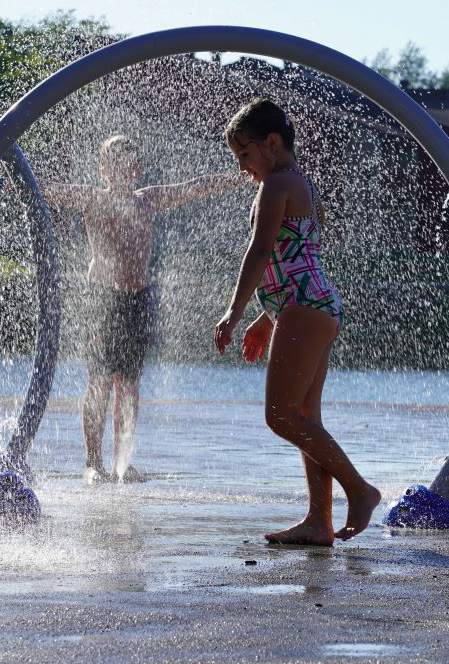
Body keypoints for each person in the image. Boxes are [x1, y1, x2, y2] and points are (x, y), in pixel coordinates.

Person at [214, 98, 381, 544]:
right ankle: (318, 522)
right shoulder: (301, 183)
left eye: (244, 155)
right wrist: (269, 319)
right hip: (314, 304)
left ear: (271, 143)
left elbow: (262, 250)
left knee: (280, 415)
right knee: (305, 414)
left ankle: (360, 491)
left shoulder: (276, 185)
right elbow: (298, 259)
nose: (243, 168)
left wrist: (236, 309)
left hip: (304, 308)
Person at [42, 135, 244, 485]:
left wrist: (242, 176)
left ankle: (123, 463)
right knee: (100, 381)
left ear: (137, 167)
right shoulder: (93, 199)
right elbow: (47, 189)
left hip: (137, 299)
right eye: (118, 164)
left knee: (130, 384)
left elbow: (193, 188)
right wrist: (5, 179)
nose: (127, 170)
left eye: (132, 164)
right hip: (102, 299)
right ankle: (93, 462)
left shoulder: (147, 199)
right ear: (104, 170)